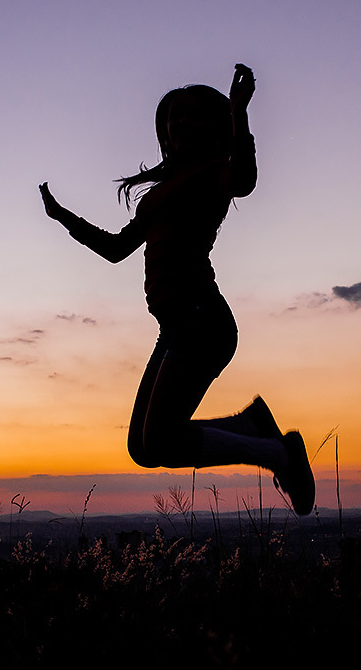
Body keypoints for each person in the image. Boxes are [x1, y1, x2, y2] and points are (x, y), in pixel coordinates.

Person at [39, 63, 315, 515]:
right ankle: (252, 427)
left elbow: (245, 181)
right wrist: (63, 217)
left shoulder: (215, 174)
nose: (180, 122)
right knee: (144, 448)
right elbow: (115, 250)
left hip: (202, 319)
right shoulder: (156, 196)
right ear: (163, 133)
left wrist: (240, 113)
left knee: (162, 439)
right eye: (173, 117)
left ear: (213, 126)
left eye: (192, 115)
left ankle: (279, 454)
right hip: (175, 327)